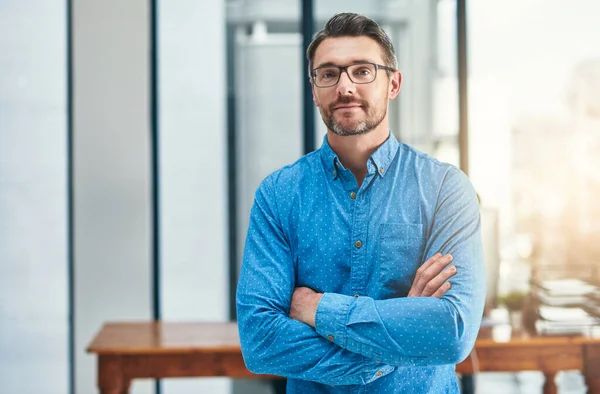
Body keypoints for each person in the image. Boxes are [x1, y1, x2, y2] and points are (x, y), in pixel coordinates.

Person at [236, 12, 486, 394]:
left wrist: (317, 309)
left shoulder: (445, 189)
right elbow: (260, 340)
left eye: (363, 71)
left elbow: (451, 331)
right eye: (329, 73)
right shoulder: (279, 194)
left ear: (394, 83)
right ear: (314, 88)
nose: (345, 87)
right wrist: (397, 339)